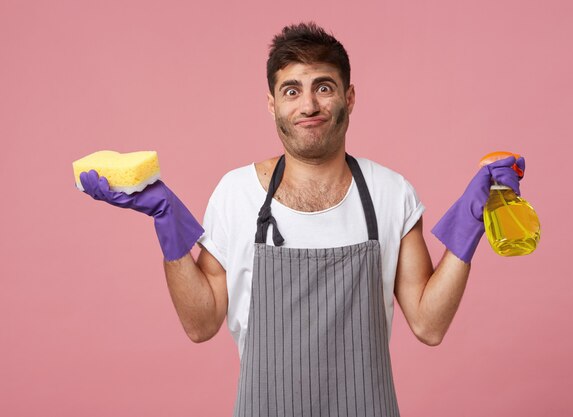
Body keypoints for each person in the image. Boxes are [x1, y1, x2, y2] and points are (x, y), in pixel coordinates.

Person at [79, 22, 523, 417]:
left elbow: (429, 324)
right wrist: (167, 218)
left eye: (324, 87)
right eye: (291, 90)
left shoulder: (391, 193)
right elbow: (201, 324)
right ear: (272, 103)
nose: (308, 104)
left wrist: (469, 225)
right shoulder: (236, 193)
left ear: (348, 96)